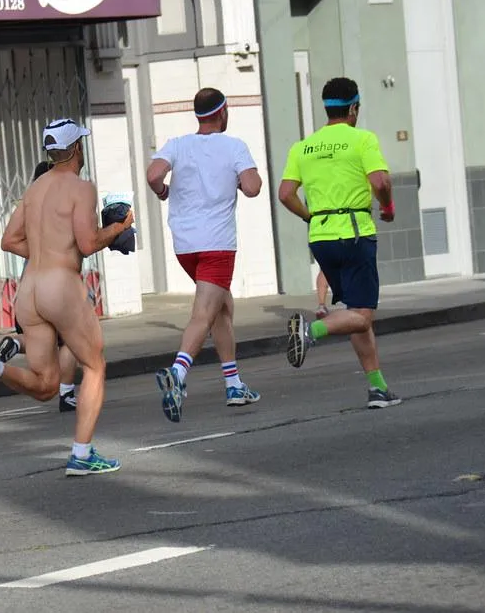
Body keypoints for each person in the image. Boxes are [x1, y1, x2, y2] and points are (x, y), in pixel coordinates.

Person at [0, 118, 132, 476]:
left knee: (47, 385)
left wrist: (43, 254)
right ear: (77, 149)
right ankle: (81, 454)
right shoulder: (82, 188)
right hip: (61, 285)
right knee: (95, 365)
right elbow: (87, 243)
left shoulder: (35, 189)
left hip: (29, 292)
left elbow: (8, 240)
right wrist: (119, 228)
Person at [278, 76, 402, 409]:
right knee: (362, 316)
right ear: (353, 108)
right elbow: (380, 180)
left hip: (321, 236)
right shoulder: (362, 139)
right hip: (354, 232)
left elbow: (285, 194)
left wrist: (309, 217)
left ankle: (377, 388)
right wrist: (388, 207)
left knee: (354, 313)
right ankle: (310, 332)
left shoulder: (303, 147)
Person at [145, 88, 263, 422]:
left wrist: (163, 191)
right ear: (223, 111)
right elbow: (253, 187)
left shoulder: (178, 144)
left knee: (223, 308)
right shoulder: (234, 146)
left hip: (185, 245)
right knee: (203, 314)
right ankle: (177, 374)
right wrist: (241, 180)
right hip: (217, 245)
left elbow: (154, 174)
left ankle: (234, 384)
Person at [0, 161, 80, 413]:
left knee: (43, 340)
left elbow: (7, 242)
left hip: (30, 288)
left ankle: (16, 343)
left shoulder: (29, 208)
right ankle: (67, 393)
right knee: (71, 339)